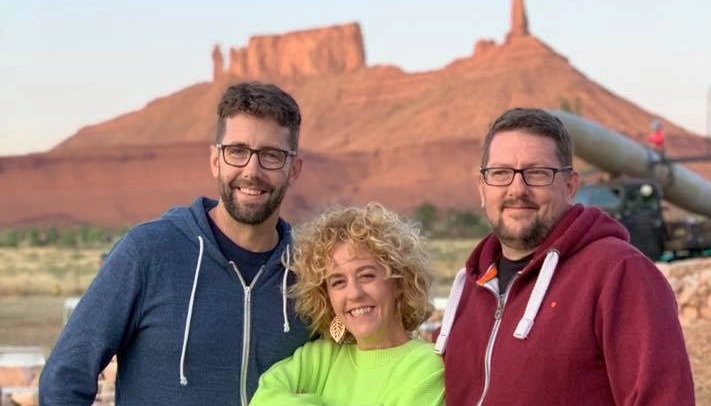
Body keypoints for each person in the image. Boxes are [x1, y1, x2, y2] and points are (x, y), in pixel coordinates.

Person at [39, 81, 312, 406]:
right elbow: (66, 375)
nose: (251, 170)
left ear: (293, 169)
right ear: (216, 160)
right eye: (237, 151)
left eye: (271, 155)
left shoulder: (311, 268)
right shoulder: (148, 251)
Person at [434, 108, 694, 405]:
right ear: (483, 189)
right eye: (501, 173)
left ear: (570, 186)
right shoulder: (471, 287)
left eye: (537, 173)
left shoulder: (619, 273)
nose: (517, 189)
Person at [250, 203, 445, 406]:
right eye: (338, 282)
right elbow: (263, 398)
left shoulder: (427, 366)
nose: (354, 294)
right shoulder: (320, 358)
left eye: (367, 276)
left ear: (399, 283)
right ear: (326, 297)